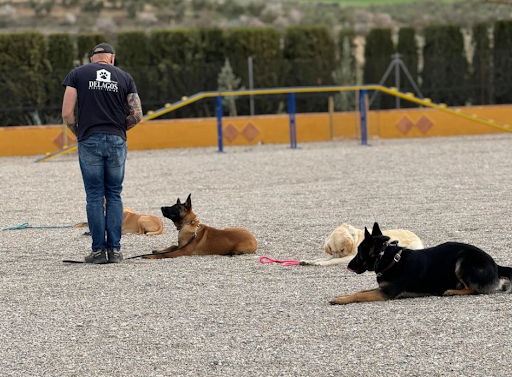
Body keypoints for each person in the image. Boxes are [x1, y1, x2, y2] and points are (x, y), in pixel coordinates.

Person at [61, 43, 143, 264]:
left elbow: (67, 113)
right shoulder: (125, 77)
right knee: (114, 194)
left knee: (95, 195)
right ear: (112, 59)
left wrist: (79, 132)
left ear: (92, 59)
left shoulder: (77, 74)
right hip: (116, 139)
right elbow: (137, 115)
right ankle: (115, 251)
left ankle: (98, 251)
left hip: (89, 139)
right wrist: (117, 130)